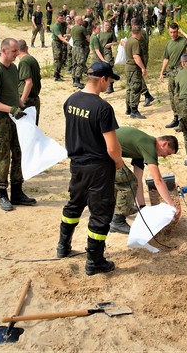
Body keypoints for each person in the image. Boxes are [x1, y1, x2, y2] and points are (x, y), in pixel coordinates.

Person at [57, 61, 124, 276]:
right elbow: (112, 146)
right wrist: (118, 161)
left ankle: (63, 246)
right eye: (109, 80)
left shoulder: (71, 101)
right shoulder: (103, 108)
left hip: (77, 165)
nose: (109, 84)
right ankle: (95, 261)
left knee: (74, 205)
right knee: (100, 214)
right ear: (103, 79)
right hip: (99, 168)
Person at [0, 38, 37, 211]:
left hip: (15, 120)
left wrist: (21, 105)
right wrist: (11, 109)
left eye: (17, 51)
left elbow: (13, 93)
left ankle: (17, 192)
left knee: (19, 154)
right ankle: (2, 194)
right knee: (2, 157)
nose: (17, 54)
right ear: (4, 51)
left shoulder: (13, 68)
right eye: (14, 51)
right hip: (0, 121)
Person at [110, 127, 181, 234]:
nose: (165, 157)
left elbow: (138, 179)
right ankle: (117, 221)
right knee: (127, 182)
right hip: (100, 151)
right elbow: (158, 180)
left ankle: (123, 207)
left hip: (105, 150)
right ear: (164, 144)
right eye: (168, 153)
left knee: (129, 180)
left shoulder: (143, 147)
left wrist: (142, 207)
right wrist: (171, 205)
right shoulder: (149, 146)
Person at [159, 23, 187, 128]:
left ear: (177, 31)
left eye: (175, 32)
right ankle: (176, 117)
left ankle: (182, 119)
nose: (173, 34)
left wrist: (182, 32)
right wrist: (162, 72)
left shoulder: (182, 40)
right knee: (172, 95)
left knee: (180, 95)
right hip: (172, 72)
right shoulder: (169, 43)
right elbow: (166, 59)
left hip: (181, 71)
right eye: (171, 32)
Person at [130, 17, 155, 108]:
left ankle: (147, 94)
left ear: (133, 24)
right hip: (144, 55)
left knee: (138, 75)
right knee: (139, 75)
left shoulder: (137, 33)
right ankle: (144, 94)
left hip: (140, 56)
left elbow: (133, 44)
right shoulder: (144, 32)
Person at [124, 25, 147, 119]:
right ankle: (134, 111)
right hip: (134, 68)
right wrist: (143, 68)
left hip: (128, 68)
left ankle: (128, 108)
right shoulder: (135, 42)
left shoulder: (128, 40)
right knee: (136, 88)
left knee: (129, 88)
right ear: (139, 32)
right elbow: (136, 57)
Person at [16, 40, 42, 125]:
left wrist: (21, 102)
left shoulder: (24, 61)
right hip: (34, 99)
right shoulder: (32, 59)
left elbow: (29, 83)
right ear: (26, 48)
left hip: (27, 100)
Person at [70, 15, 91, 89]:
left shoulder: (73, 28)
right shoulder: (82, 28)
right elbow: (88, 38)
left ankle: (74, 80)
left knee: (74, 63)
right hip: (80, 48)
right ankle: (77, 80)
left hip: (74, 47)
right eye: (81, 20)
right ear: (78, 21)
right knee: (80, 63)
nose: (82, 21)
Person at [98, 20, 118, 94]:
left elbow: (115, 42)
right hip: (101, 52)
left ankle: (110, 86)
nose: (107, 27)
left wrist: (110, 44)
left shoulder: (111, 33)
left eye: (108, 25)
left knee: (108, 68)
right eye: (106, 25)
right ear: (103, 25)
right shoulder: (100, 33)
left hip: (108, 52)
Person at [51, 13, 69, 82]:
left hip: (60, 43)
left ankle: (57, 72)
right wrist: (68, 42)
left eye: (62, 18)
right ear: (57, 18)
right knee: (57, 58)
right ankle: (56, 76)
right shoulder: (55, 26)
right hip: (56, 43)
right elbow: (60, 37)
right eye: (60, 18)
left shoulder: (62, 24)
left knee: (60, 58)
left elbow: (69, 26)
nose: (62, 19)